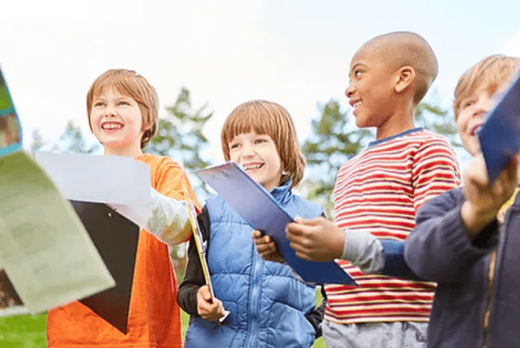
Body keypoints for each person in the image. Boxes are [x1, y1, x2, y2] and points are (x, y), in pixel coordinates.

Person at [255, 32, 461, 348]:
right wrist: (292, 255)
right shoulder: (349, 169)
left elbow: (436, 252)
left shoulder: (429, 149)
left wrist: (341, 242)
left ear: (402, 79)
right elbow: (345, 260)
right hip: (341, 326)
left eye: (359, 73)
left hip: (405, 329)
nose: (348, 88)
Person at [47, 69, 199, 348]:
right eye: (100, 104)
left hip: (141, 330)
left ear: (148, 119)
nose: (109, 111)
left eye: (123, 103)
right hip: (72, 329)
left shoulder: (162, 169)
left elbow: (184, 226)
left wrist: (126, 187)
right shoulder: (72, 176)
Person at [177, 100, 325, 348]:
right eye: (236, 145)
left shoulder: (311, 217)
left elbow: (339, 295)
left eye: (259, 141)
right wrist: (198, 301)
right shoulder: (211, 212)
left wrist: (309, 327)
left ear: (284, 148)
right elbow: (188, 288)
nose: (246, 152)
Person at [403, 55, 520, 348]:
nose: (478, 108)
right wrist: (473, 215)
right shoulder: (447, 205)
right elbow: (420, 259)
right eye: (467, 104)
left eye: (496, 98)